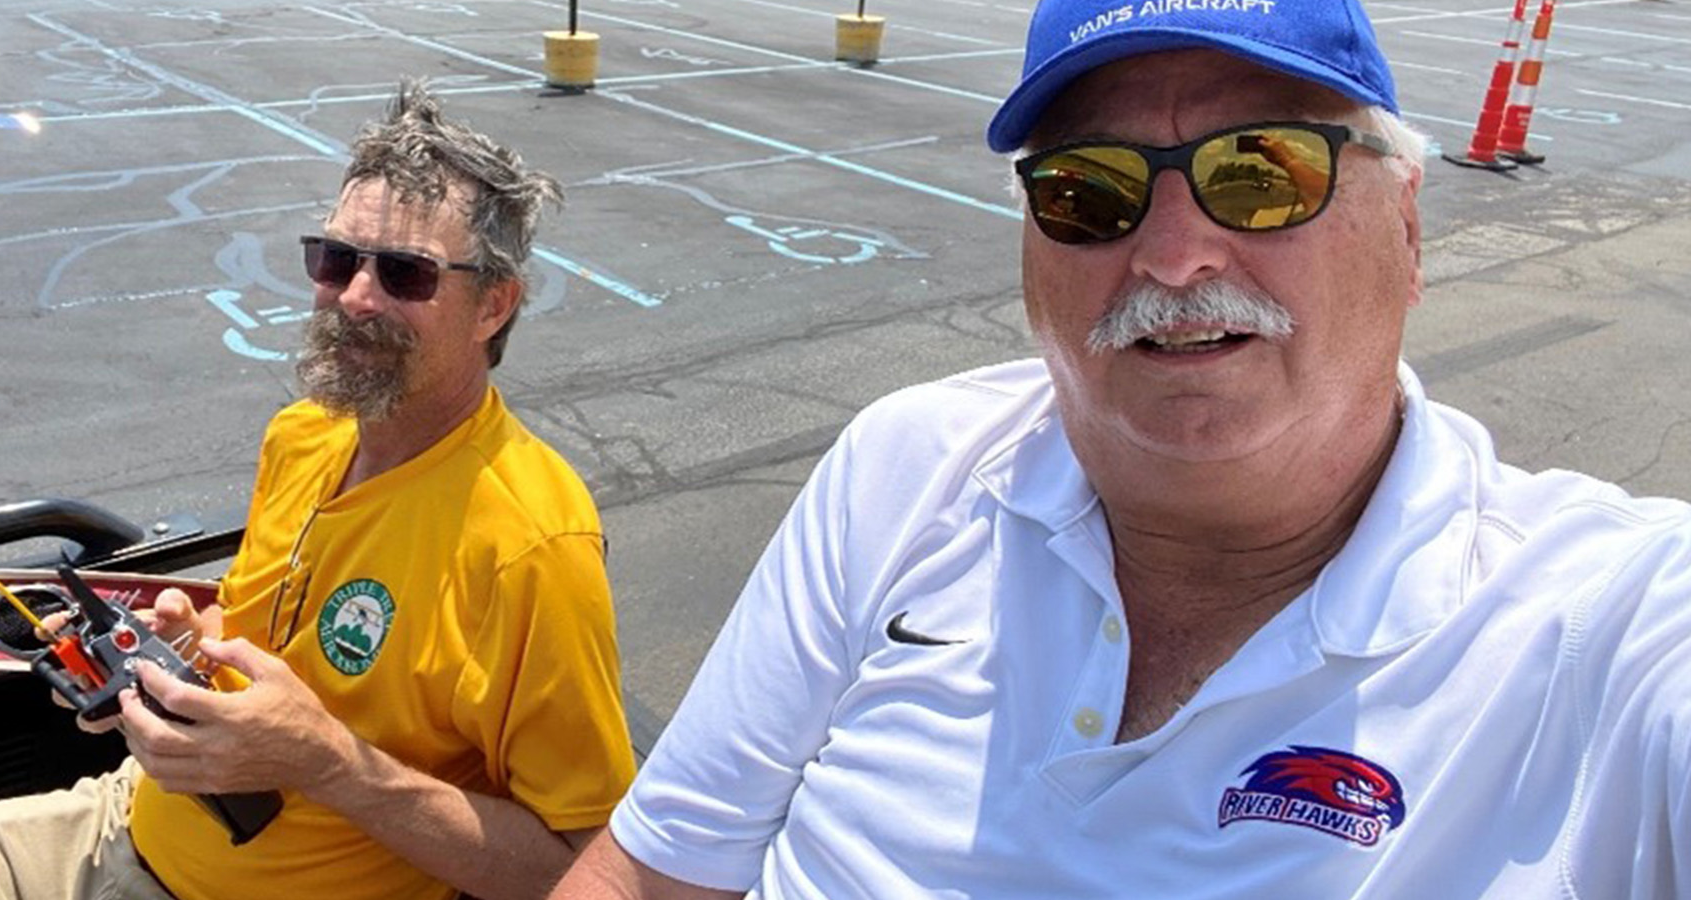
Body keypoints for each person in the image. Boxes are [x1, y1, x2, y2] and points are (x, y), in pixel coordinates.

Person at [552, 1, 1691, 898]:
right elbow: (651, 874)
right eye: (1089, 190)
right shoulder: (908, 469)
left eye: (1261, 171)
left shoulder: (1604, 631)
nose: (1175, 254)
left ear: (1403, 223)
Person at [0, 80, 636, 900]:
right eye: (337, 258)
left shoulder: (530, 545)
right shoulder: (306, 432)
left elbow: (578, 870)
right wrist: (176, 644)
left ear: (494, 305)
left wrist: (328, 765)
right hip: (130, 819)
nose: (355, 296)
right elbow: (262, 638)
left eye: (405, 274)